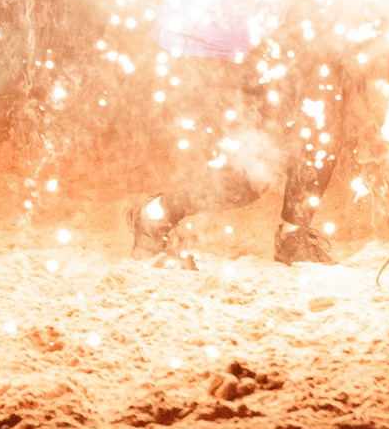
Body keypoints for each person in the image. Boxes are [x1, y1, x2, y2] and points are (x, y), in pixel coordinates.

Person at [126, 15, 348, 268]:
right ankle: (155, 215)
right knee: (246, 179)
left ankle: (293, 235)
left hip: (273, 39)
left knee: (322, 104)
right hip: (211, 48)